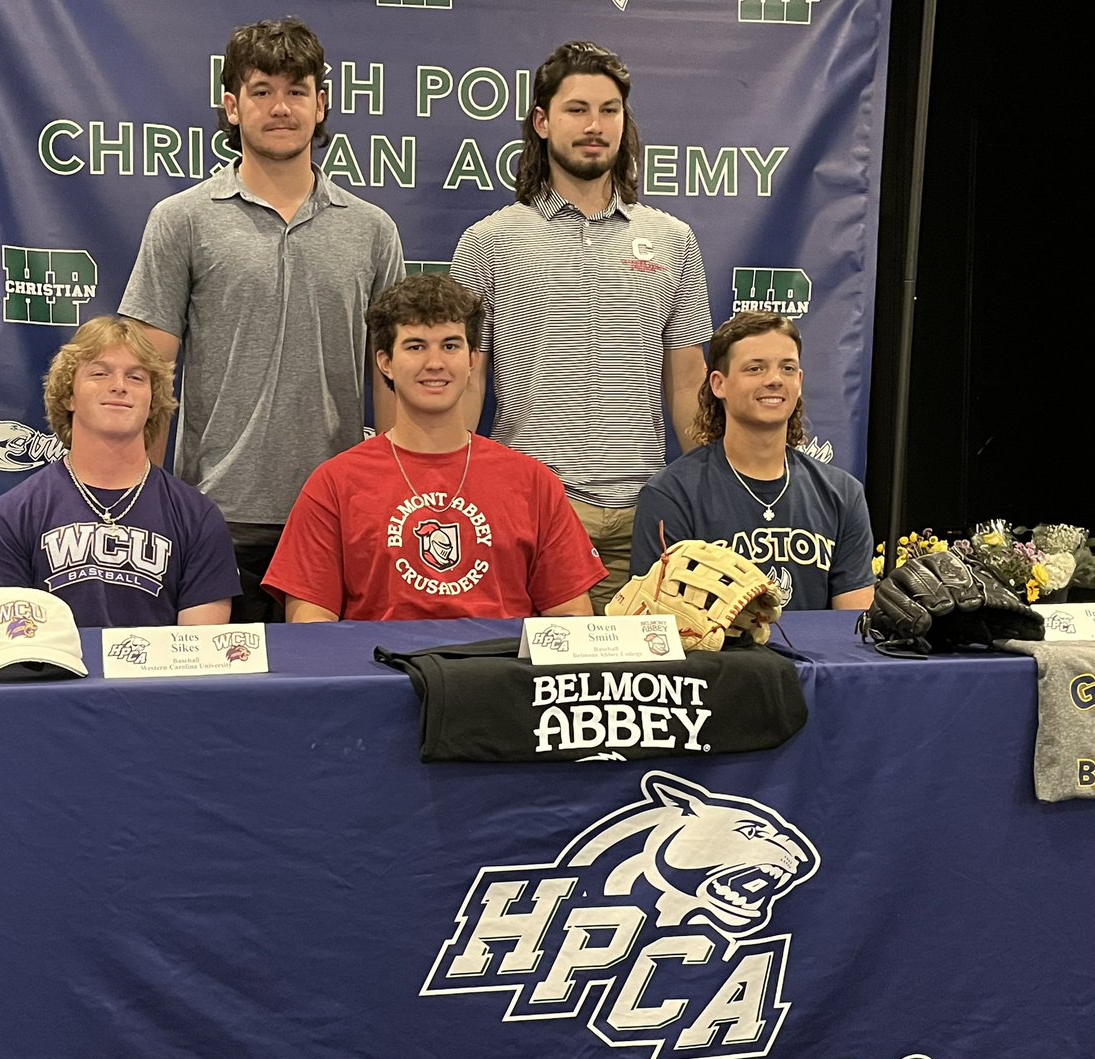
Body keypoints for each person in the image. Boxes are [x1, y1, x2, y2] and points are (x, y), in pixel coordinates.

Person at [119, 17, 406, 623]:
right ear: (232, 106)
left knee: (327, 706)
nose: (281, 107)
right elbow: (147, 371)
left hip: (335, 514)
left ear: (321, 104)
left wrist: (392, 497)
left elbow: (393, 376)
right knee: (216, 707)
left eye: (297, 91)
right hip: (213, 514)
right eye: (262, 91)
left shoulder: (372, 229)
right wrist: (140, 501)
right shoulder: (183, 220)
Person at [446, 40, 712, 611]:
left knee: (634, 696)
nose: (594, 125)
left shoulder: (674, 240)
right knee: (535, 694)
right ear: (542, 122)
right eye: (576, 109)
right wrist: (456, 496)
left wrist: (705, 496)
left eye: (609, 110)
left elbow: (689, 383)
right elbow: (465, 381)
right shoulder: (489, 241)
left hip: (648, 520)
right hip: (529, 517)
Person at [262, 275, 606, 622]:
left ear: (472, 360)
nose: (435, 363)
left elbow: (571, 619)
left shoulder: (533, 482)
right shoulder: (334, 484)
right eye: (416, 346)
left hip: (498, 672)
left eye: (450, 346)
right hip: (382, 672)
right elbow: (310, 624)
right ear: (385, 362)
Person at [0, 317, 241, 627]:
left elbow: (201, 656)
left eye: (136, 378)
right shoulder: (16, 512)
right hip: (51, 674)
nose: (119, 386)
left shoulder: (197, 516)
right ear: (69, 396)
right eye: (100, 373)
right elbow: (3, 636)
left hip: (159, 677)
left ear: (152, 402)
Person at [630, 311, 875, 612]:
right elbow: (659, 623)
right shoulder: (672, 494)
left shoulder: (843, 494)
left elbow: (852, 623)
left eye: (787, 368)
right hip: (718, 658)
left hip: (816, 659)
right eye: (755, 368)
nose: (774, 380)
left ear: (799, 382)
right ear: (719, 384)